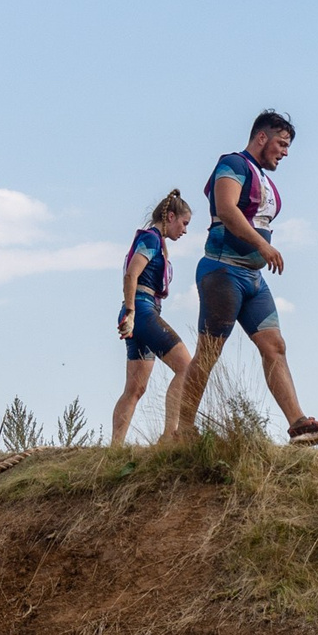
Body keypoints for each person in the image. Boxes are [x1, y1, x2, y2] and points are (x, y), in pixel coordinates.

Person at [162, 111, 318, 447]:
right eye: (282, 143)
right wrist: (262, 244)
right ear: (262, 137)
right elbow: (227, 208)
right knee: (209, 352)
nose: (285, 152)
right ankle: (183, 431)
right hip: (222, 270)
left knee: (275, 347)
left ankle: (299, 425)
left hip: (253, 277)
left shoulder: (264, 179)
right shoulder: (233, 164)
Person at [111, 191, 197, 446]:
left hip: (143, 311)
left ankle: (115, 450)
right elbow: (131, 274)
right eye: (184, 223)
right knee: (186, 367)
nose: (184, 230)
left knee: (135, 389)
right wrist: (131, 312)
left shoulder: (157, 242)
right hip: (142, 310)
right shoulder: (150, 239)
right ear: (170, 217)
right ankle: (170, 435)